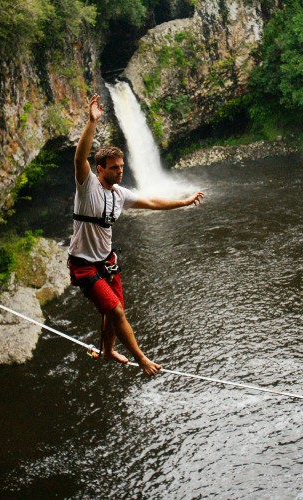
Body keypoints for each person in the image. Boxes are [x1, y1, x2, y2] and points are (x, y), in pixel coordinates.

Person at [68, 94, 204, 376]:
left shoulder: (120, 194)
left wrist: (184, 201)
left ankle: (106, 351)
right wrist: (91, 122)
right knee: (116, 312)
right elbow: (79, 156)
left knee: (113, 311)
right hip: (84, 265)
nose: (120, 171)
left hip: (107, 261)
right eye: (114, 168)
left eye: (122, 167)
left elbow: (153, 202)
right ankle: (142, 359)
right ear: (100, 169)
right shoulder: (87, 186)